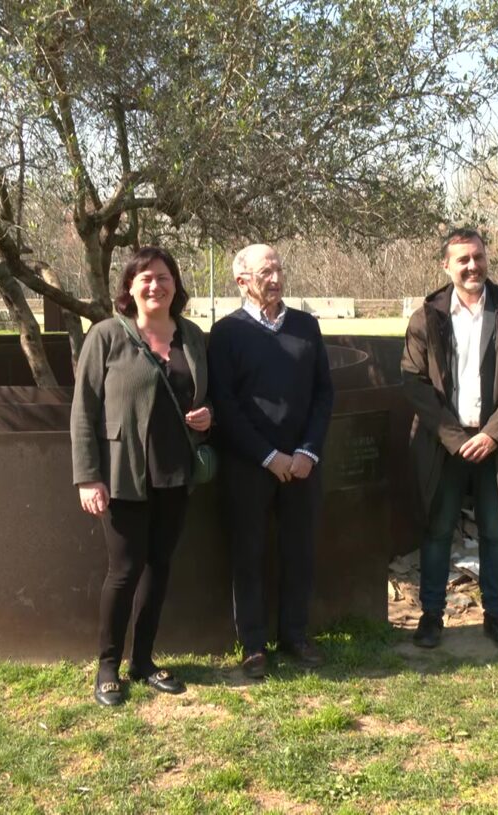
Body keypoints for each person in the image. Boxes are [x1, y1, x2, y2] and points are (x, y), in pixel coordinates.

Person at [71, 246, 212, 707]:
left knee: (160, 567)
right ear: (129, 288)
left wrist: (209, 419)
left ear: (176, 285)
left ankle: (145, 661)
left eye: (164, 276)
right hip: (122, 473)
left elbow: (204, 396)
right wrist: (88, 477)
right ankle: (108, 665)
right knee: (125, 570)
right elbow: (84, 412)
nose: (156, 284)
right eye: (146, 277)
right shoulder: (107, 336)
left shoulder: (192, 336)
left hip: (175, 472)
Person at [401, 227, 498, 650]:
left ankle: (495, 617)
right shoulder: (427, 315)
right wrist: (452, 436)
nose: (471, 266)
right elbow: (413, 381)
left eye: (477, 257)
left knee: (495, 532)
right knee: (438, 529)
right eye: (462, 259)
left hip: (495, 444)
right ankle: (431, 617)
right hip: (445, 445)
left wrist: (493, 435)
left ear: (486, 259)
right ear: (446, 265)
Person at [207, 244, 334, 679]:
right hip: (249, 465)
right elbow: (223, 403)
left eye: (279, 268)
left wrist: (307, 451)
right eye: (266, 271)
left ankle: (295, 635)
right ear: (242, 280)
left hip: (301, 465)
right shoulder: (225, 334)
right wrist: (267, 455)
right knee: (249, 553)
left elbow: (323, 394)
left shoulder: (306, 327)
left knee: (299, 550)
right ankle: (254, 644)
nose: (276, 277)